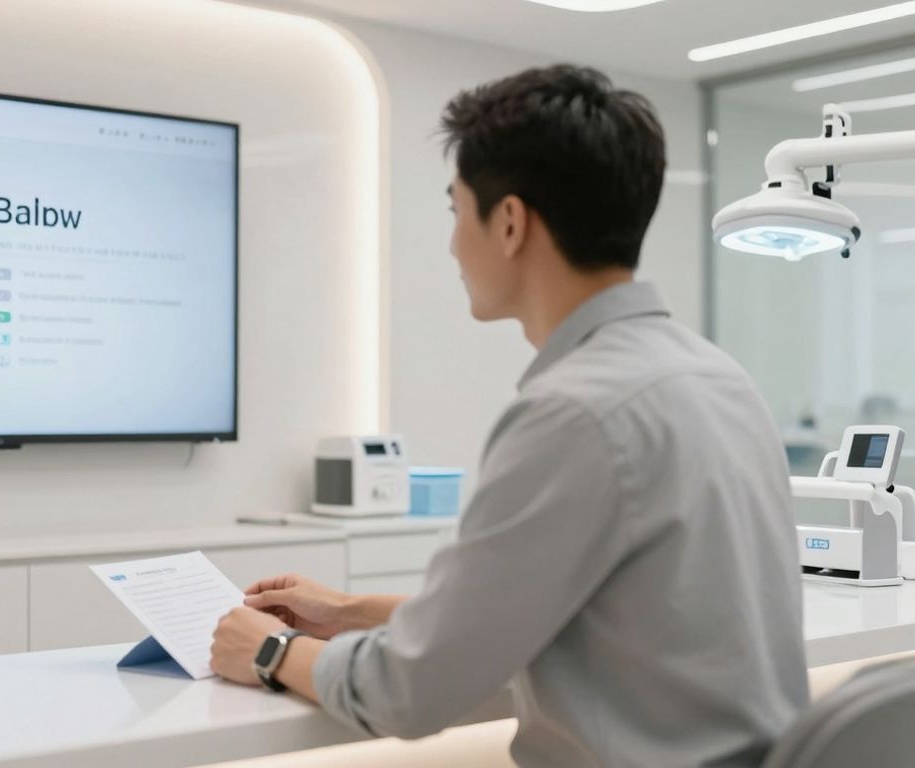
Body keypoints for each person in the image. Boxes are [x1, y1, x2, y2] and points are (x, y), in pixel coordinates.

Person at [210, 65, 808, 767]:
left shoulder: (574, 413)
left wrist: (273, 651)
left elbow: (409, 688)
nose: (453, 244)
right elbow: (540, 617)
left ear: (511, 222)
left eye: (456, 211)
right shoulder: (717, 376)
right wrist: (344, 611)